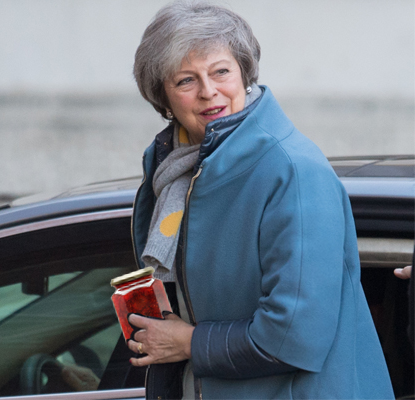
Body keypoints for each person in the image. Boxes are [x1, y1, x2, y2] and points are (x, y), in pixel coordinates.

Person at [128, 1, 394, 399]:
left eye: (221, 71)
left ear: (244, 74)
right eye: (186, 80)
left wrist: (187, 343)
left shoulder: (293, 171)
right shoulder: (173, 175)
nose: (208, 91)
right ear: (162, 97)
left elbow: (294, 333)